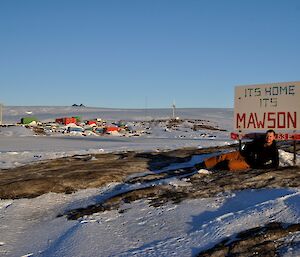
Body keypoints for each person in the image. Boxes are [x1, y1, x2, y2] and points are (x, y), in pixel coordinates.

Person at [195, 129, 279, 171]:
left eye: (270, 136)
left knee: (230, 165)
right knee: (223, 156)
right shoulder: (259, 141)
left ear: (274, 137)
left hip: (249, 163)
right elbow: (249, 145)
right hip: (243, 154)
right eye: (267, 136)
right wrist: (245, 150)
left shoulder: (273, 149)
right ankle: (203, 164)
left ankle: (214, 168)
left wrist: (261, 167)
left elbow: (275, 164)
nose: (268, 138)